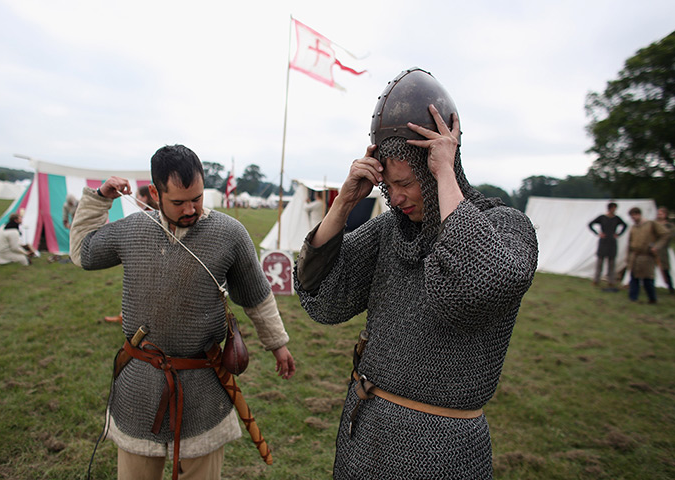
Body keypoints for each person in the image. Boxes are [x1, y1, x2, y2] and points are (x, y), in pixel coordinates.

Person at [294, 68, 538, 479]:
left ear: (441, 162)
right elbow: (323, 297)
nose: (397, 196)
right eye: (388, 186)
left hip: (443, 448)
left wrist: (443, 172)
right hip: (367, 432)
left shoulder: (506, 228)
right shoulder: (391, 231)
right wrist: (343, 204)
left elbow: (483, 284)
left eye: (407, 182)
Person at [70, 144, 296, 480]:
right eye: (178, 202)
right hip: (141, 381)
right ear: (154, 193)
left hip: (201, 380)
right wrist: (101, 198)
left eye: (198, 198)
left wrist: (277, 343)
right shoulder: (133, 229)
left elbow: (255, 296)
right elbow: (84, 252)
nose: (191, 209)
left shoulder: (229, 234)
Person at [103, 185, 158, 323]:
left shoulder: (150, 214)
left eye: (139, 195)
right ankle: (125, 316)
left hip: (149, 262)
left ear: (145, 197)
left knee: (142, 293)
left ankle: (132, 319)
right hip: (143, 260)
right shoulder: (145, 213)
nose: (137, 198)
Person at [626, 207, 669, 303]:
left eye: (634, 215)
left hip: (647, 256)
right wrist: (628, 256)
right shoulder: (633, 227)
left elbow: (665, 234)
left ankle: (652, 299)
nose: (633, 218)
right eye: (631, 216)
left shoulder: (651, 224)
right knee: (634, 278)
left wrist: (656, 246)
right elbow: (629, 243)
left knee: (647, 279)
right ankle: (633, 298)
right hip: (635, 256)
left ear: (638, 214)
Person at [588, 202, 627, 291]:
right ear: (610, 208)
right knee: (600, 262)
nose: (614, 210)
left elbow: (625, 225)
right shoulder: (602, 218)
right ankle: (596, 280)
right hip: (603, 241)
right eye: (613, 208)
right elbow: (590, 224)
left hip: (612, 242)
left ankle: (611, 281)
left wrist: (618, 234)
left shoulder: (616, 218)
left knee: (611, 263)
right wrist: (598, 233)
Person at [655, 206, 675, 294]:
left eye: (661, 213)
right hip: (653, 248)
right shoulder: (654, 224)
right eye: (658, 213)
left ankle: (670, 287)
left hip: (663, 249)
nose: (659, 215)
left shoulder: (669, 226)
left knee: (665, 268)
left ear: (665, 215)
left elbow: (668, 236)